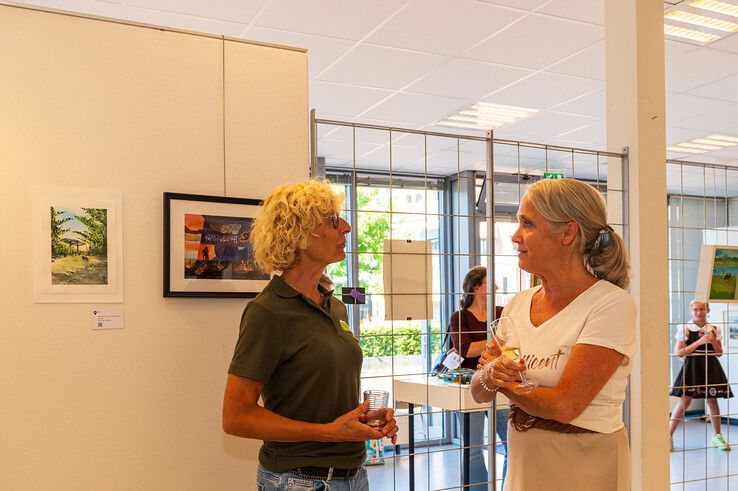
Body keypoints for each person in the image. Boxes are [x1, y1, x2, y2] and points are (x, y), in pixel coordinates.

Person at [222, 179, 398, 491]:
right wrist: (329, 432)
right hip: (299, 480)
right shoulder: (268, 311)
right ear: (300, 235)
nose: (345, 227)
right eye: (332, 220)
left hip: (354, 476)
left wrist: (363, 419)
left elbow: (320, 392)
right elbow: (235, 417)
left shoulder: (335, 307)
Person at [471, 178, 635, 491]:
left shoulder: (611, 304)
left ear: (568, 232)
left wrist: (503, 382)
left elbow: (565, 405)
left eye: (527, 224)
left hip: (585, 467)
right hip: (522, 467)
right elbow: (478, 389)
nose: (515, 236)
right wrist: (491, 374)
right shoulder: (519, 304)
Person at [447, 266, 509, 491]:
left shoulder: (502, 312)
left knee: (512, 444)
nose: (496, 287)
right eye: (489, 283)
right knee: (473, 448)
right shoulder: (459, 317)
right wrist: (496, 341)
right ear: (476, 287)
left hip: (501, 383)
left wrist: (488, 345)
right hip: (470, 385)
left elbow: (512, 343)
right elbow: (465, 350)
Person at [669, 300, 733, 451]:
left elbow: (719, 352)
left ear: (707, 310)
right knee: (684, 403)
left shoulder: (713, 329)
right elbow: (679, 352)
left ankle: (717, 437)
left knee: (713, 402)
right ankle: (668, 436)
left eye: (702, 309)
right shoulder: (684, 328)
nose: (699, 312)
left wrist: (712, 342)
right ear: (691, 311)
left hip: (710, 367)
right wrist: (699, 342)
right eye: (696, 309)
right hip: (692, 367)